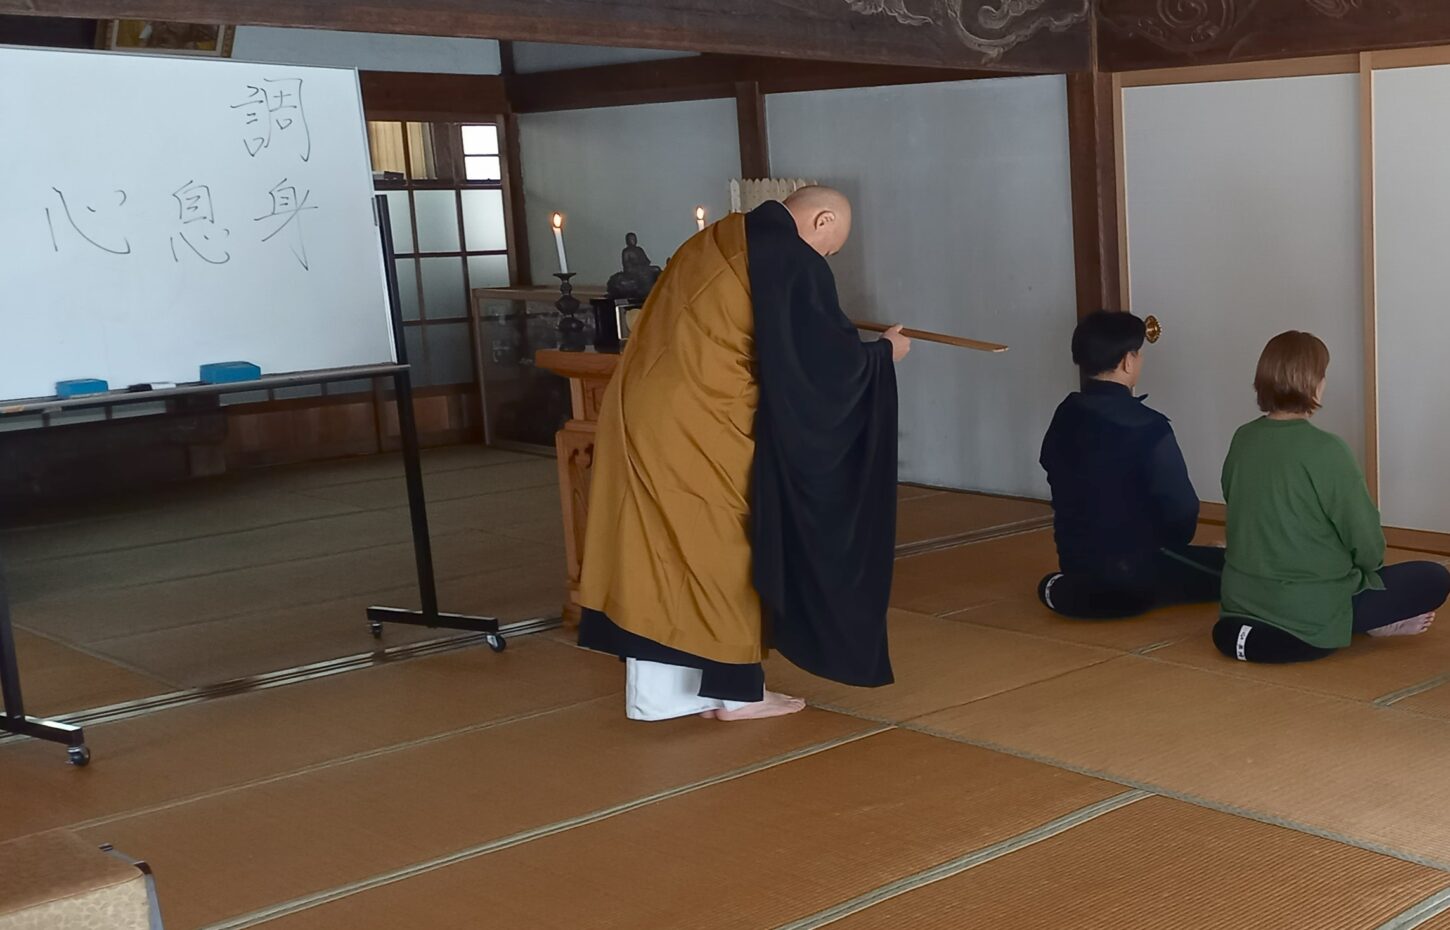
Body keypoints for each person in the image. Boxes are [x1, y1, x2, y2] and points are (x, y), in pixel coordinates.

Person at [577, 186, 911, 721]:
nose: (825, 257)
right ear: (822, 219)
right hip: (700, 420)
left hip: (646, 406)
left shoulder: (720, 237)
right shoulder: (788, 256)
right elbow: (822, 366)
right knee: (725, 548)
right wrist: (882, 357)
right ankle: (733, 692)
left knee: (661, 550)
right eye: (831, 247)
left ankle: (668, 694)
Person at [1213, 331, 1450, 663]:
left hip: (1239, 609)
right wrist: (1369, 573)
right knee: (1433, 577)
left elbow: (1235, 501)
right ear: (1312, 383)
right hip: (1311, 618)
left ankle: (1361, 619)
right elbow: (1366, 543)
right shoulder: (1328, 450)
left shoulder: (1243, 438)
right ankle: (1370, 623)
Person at [1038, 310, 1223, 619]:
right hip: (1139, 575)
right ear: (1127, 361)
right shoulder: (1149, 426)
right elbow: (1182, 509)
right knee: (1238, 571)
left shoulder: (1065, 414)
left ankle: (1071, 590)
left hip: (1076, 561)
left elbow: (1056, 472)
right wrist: (1176, 547)